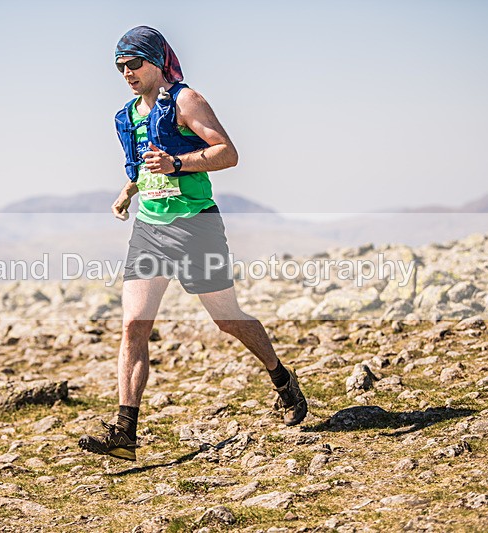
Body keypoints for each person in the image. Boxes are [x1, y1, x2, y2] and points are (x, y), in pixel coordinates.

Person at [78, 26, 307, 462]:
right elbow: (144, 167)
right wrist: (129, 191)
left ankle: (282, 380)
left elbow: (227, 152)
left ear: (155, 60)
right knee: (133, 326)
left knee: (229, 321)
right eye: (119, 67)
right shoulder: (127, 116)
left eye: (134, 64)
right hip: (149, 230)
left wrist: (177, 162)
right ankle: (125, 431)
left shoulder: (186, 100)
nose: (126, 73)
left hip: (196, 227)